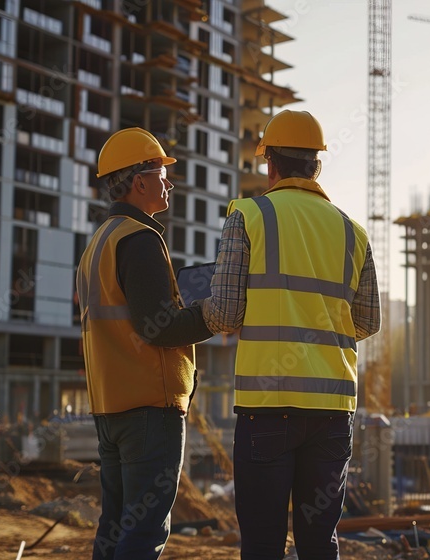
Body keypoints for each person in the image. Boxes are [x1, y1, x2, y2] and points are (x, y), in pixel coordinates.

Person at [203, 110, 381, 560]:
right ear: (316, 165)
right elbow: (368, 322)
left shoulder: (248, 214)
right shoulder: (352, 231)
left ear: (270, 163)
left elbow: (224, 313)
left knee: (263, 545)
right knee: (319, 543)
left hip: (268, 406)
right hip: (332, 410)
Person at [76, 127, 213, 560]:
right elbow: (161, 327)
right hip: (148, 409)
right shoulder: (141, 238)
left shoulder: (98, 242)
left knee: (115, 525)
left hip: (110, 407)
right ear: (139, 181)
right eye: (161, 172)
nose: (168, 181)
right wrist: (214, 314)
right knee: (143, 532)